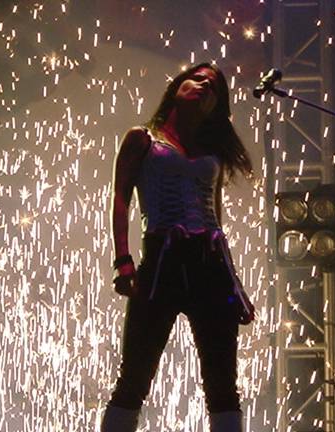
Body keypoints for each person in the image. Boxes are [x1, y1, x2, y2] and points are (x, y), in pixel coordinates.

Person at [101, 63, 255, 432]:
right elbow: (121, 198)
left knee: (223, 384)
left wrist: (236, 284)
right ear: (178, 87)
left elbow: (216, 219)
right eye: (197, 78)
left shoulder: (212, 155)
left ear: (216, 106)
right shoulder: (143, 138)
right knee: (135, 375)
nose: (203, 85)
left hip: (211, 263)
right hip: (163, 258)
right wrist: (123, 261)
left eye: (213, 87)